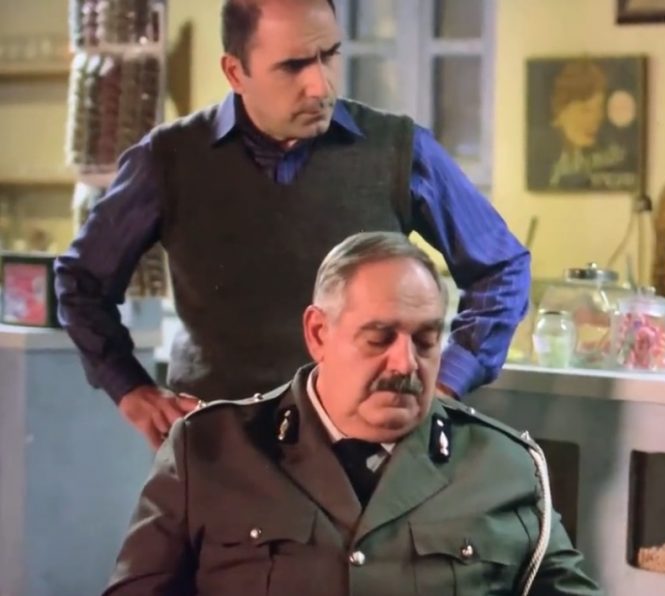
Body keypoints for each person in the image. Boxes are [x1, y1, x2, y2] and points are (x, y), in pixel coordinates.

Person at [54, 0, 530, 449]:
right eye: (293, 66)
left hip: (363, 458)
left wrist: (446, 379)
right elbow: (80, 283)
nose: (320, 86)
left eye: (330, 55)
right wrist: (130, 389)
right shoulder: (169, 159)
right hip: (216, 450)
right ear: (235, 72)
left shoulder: (399, 150)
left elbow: (502, 268)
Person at [102, 232, 602, 596]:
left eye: (425, 340)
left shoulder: (504, 468)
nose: (405, 363)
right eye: (379, 338)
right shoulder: (209, 452)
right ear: (318, 334)